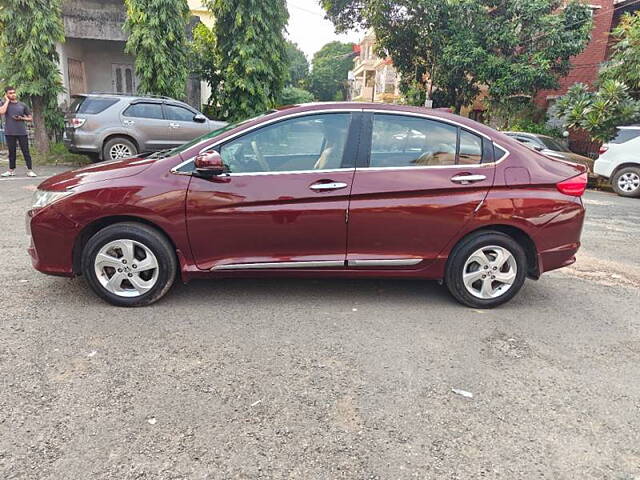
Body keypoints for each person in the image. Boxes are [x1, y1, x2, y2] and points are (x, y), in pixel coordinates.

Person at [0, 86, 36, 177]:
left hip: (21, 132)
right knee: (12, 152)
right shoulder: (4, 103)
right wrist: (7, 101)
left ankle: (30, 170)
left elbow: (30, 118)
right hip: (10, 132)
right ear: (6, 94)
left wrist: (22, 118)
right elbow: (2, 112)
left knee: (26, 151)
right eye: (10, 93)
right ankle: (11, 170)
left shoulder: (22, 105)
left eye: (14, 92)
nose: (13, 94)